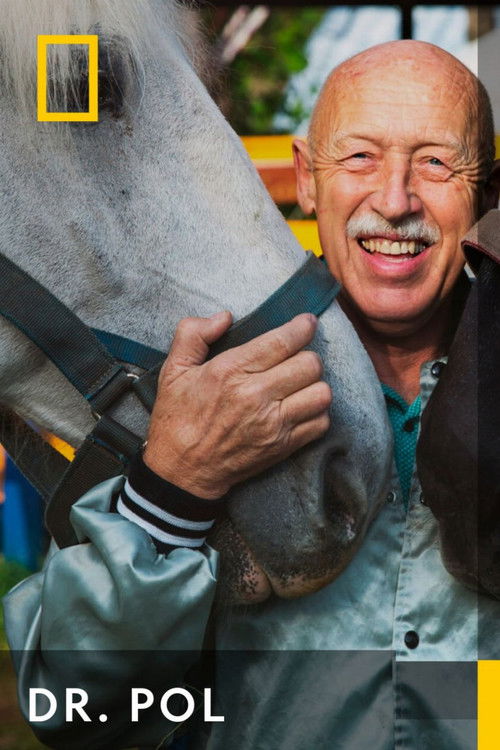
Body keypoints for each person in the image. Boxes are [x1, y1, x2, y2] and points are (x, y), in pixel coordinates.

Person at [4, 40, 500, 749]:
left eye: (436, 163)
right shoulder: (194, 395)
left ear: (487, 194)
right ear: (306, 179)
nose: (395, 201)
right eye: (360, 157)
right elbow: (79, 710)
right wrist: (173, 486)